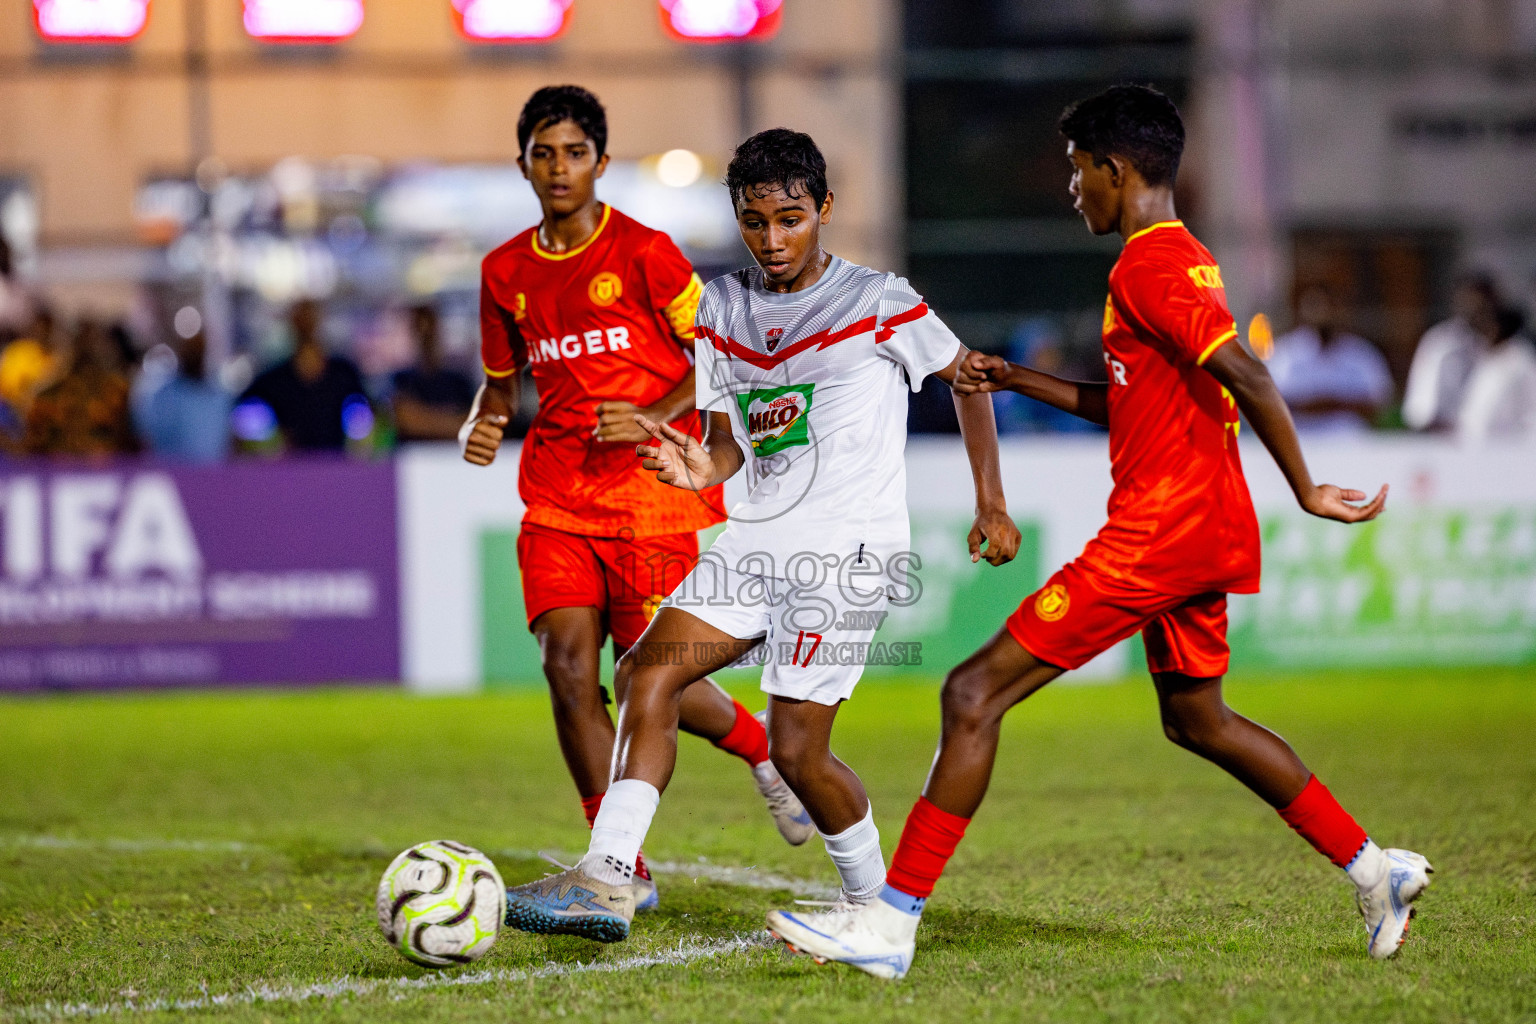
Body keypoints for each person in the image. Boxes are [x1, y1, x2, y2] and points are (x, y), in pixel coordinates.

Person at [769, 85, 1433, 980]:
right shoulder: (1183, 259)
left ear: (1116, 171)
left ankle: (889, 924)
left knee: (971, 694)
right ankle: (1375, 868)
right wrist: (1018, 378)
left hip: (1163, 531)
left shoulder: (1147, 267)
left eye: (1079, 171)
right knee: (1198, 719)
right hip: (1201, 527)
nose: (1072, 188)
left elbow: (1246, 373)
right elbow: (1134, 404)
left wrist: (1308, 487)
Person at [501, 127, 1020, 942]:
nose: (772, 239)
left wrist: (990, 501)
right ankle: (606, 880)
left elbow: (970, 377)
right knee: (646, 671)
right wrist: (701, 472)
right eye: (754, 221)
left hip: (845, 550)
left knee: (798, 749)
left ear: (824, 210)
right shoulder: (721, 306)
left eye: (790, 218)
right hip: (754, 542)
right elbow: (729, 442)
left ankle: (877, 903)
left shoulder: (881, 300)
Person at [459, 87, 813, 915]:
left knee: (654, 677)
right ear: (522, 164)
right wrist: (485, 419)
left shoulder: (647, 253)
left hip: (654, 498)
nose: (558, 168)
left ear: (601, 163)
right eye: (543, 153)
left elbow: (721, 355)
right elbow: (501, 382)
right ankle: (617, 865)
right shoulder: (503, 271)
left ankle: (759, 745)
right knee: (567, 668)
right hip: (555, 500)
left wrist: (654, 416)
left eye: (574, 152)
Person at [240, 299, 370, 452]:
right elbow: (242, 417)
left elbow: (367, 417)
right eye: (301, 319)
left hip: (336, 465)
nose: (306, 324)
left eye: (310, 318)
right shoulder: (273, 379)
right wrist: (269, 440)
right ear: (292, 323)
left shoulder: (344, 373)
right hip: (289, 469)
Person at [1268, 284, 1393, 433]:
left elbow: (1380, 404)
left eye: (1330, 306)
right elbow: (1271, 405)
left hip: (1352, 446)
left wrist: (1328, 403)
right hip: (1301, 443)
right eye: (1315, 305)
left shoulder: (1361, 354)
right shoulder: (1285, 353)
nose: (1323, 313)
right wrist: (1329, 404)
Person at [24, 316, 138, 457]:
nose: (85, 349)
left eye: (91, 342)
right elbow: (34, 451)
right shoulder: (46, 396)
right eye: (78, 342)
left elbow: (130, 443)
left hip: (106, 474)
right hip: (58, 474)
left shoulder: (117, 392)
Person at [1402, 274, 1501, 432]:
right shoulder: (1440, 341)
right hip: (1440, 431)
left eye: (1481, 306)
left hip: (1492, 435)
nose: (1474, 310)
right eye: (1468, 303)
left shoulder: (1506, 347)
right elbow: (1421, 396)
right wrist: (1423, 420)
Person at [134, 331, 233, 463]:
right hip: (170, 473)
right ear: (181, 352)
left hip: (212, 476)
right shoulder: (163, 395)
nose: (195, 355)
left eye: (199, 350)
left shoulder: (221, 397)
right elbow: (143, 435)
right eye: (190, 350)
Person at [391, 304, 476, 442]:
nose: (425, 336)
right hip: (412, 459)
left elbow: (473, 425)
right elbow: (405, 420)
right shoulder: (400, 379)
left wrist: (423, 418)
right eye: (419, 328)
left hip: (455, 458)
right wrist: (452, 421)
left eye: (430, 328)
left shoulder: (459, 381)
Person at [1455, 307, 1536, 443]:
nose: (1484, 332)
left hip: (1510, 445)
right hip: (1475, 443)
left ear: (1499, 329)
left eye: (1489, 327)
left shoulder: (1521, 361)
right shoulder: (1486, 360)